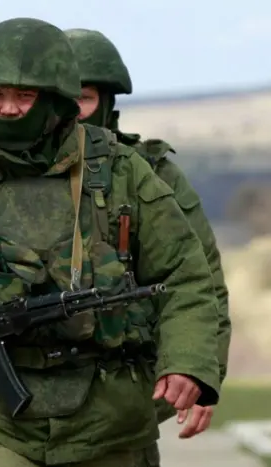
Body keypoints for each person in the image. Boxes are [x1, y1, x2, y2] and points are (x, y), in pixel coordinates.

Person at [0, 18, 221, 467]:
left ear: (56, 100)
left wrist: (187, 361)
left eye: (24, 95)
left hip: (110, 416)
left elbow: (185, 275)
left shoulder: (120, 171)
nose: (9, 109)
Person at [65, 27, 231, 440]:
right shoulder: (10, 176)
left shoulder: (152, 175)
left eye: (84, 98)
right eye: (63, 98)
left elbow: (201, 282)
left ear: (107, 102)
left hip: (128, 387)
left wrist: (203, 373)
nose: (73, 112)